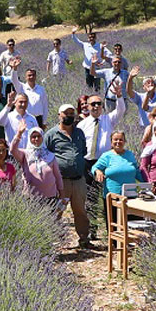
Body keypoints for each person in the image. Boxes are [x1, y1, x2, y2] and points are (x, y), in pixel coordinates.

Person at [44, 104, 91, 248]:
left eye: (72, 113)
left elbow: (83, 151)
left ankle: (84, 239)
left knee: (80, 211)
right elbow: (46, 155)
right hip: (61, 181)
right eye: (66, 113)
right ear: (59, 115)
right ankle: (54, 241)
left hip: (78, 180)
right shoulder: (51, 135)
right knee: (57, 211)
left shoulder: (79, 133)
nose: (69, 116)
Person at [92, 130, 143, 220]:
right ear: (111, 142)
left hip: (130, 197)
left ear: (124, 141)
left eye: (121, 140)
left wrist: (147, 183)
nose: (118, 142)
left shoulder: (130, 154)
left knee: (133, 226)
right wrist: (98, 171)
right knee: (114, 228)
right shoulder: (106, 156)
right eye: (115, 139)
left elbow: (137, 172)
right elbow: (95, 167)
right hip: (113, 197)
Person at [12, 124, 64, 206]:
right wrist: (19, 134)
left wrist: (61, 193)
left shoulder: (50, 155)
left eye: (39, 136)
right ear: (29, 139)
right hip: (31, 197)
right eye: (33, 137)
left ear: (42, 138)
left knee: (51, 218)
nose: (36, 139)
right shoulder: (25, 154)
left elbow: (57, 176)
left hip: (50, 197)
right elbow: (13, 150)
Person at [70, 26, 106, 90]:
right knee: (89, 86)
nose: (91, 38)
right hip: (87, 68)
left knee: (97, 86)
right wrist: (73, 33)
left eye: (93, 37)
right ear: (88, 38)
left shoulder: (100, 46)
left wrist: (102, 62)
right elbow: (77, 41)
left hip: (96, 69)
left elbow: (107, 55)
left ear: (95, 38)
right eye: (90, 37)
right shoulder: (85, 45)